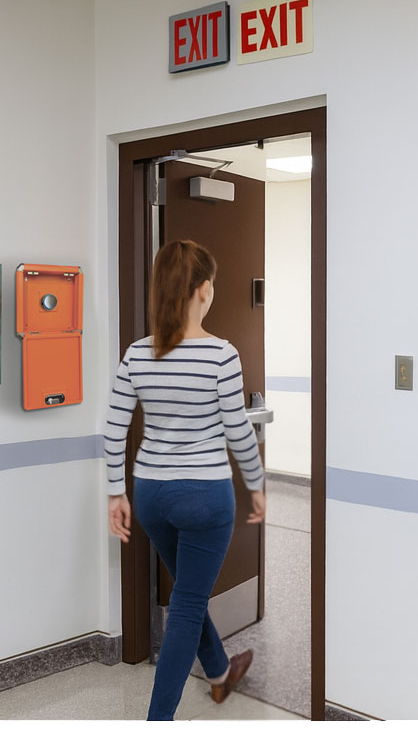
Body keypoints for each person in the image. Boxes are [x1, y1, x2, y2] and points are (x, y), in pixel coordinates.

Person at [98, 239, 267, 721]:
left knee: (188, 591)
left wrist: (116, 493)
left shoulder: (137, 353)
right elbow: (237, 429)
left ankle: (219, 672)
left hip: (152, 495)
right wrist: (256, 484)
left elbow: (113, 429)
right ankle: (158, 723)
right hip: (205, 496)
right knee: (189, 604)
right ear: (204, 289)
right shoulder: (221, 354)